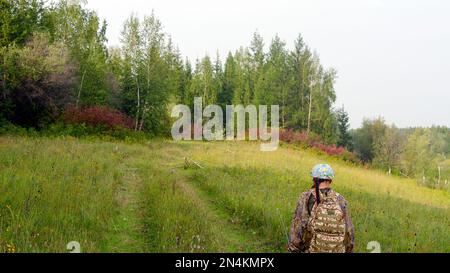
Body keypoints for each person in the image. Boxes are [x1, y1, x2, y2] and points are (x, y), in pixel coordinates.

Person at [288, 163, 355, 253]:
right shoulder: (340, 199)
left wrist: (294, 249)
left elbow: (298, 227)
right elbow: (349, 231)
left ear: (314, 179)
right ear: (330, 180)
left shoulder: (306, 197)